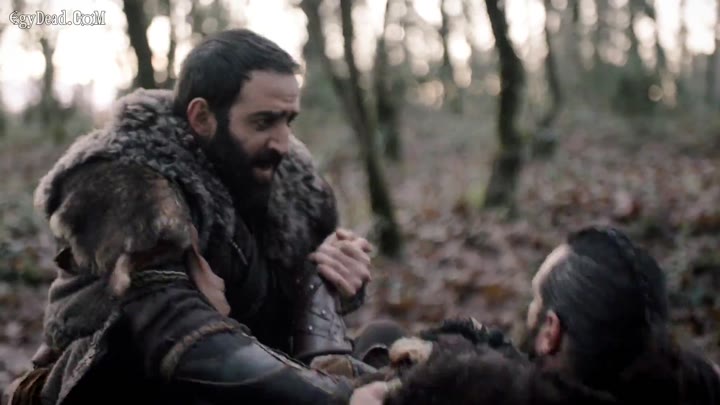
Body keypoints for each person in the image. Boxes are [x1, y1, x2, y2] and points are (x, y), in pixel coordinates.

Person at [7, 28, 396, 405]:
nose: (283, 142)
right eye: (263, 121)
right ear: (202, 117)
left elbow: (287, 319)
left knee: (388, 339)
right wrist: (339, 396)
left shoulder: (289, 185)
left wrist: (328, 279)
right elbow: (173, 332)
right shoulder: (126, 182)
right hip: (119, 382)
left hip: (235, 365)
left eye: (287, 121)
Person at [354, 226, 720, 404]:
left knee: (377, 339)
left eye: (535, 300)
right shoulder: (687, 386)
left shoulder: (478, 393)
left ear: (550, 332)